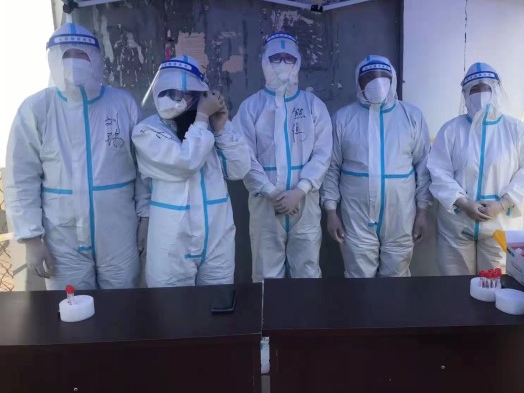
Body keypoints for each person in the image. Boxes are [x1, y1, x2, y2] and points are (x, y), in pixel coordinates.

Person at [4, 23, 150, 290]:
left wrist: (146, 218)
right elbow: (21, 177)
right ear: (52, 59)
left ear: (96, 58)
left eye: (81, 54)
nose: (73, 62)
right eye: (66, 55)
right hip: (62, 238)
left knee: (122, 306)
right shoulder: (36, 109)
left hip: (119, 232)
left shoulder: (122, 104)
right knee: (71, 307)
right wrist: (32, 239)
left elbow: (143, 168)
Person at [133, 56, 250, 287]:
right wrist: (202, 118)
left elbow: (239, 169)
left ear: (198, 95)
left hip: (216, 236)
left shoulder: (211, 125)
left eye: (181, 94)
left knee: (217, 303)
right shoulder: (146, 131)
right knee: (172, 306)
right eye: (167, 92)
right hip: (171, 241)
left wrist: (220, 130)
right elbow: (184, 162)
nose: (173, 100)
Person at [232, 33, 332, 282]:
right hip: (265, 204)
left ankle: (305, 311)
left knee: (307, 271)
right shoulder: (250, 107)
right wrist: (272, 192)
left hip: (305, 203)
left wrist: (300, 190)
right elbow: (243, 156)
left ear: (298, 62)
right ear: (265, 62)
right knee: (266, 275)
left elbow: (322, 153)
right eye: (276, 58)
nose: (283, 64)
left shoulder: (313, 105)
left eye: (289, 58)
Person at [428, 62, 524, 275]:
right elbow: (438, 171)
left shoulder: (518, 131)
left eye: (486, 88)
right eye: (475, 89)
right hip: (457, 223)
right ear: (465, 94)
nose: (480, 94)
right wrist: (464, 203)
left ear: (496, 91)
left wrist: (502, 204)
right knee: (456, 282)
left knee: (495, 282)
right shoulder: (451, 130)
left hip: (500, 223)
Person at [321, 55, 432, 278]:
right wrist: (331, 211)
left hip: (401, 217)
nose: (377, 82)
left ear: (393, 80)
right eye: (369, 77)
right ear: (358, 82)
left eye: (383, 77)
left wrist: (422, 211)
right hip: (356, 216)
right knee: (359, 279)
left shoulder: (411, 116)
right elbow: (331, 168)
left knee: (396, 279)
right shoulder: (343, 119)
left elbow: (423, 166)